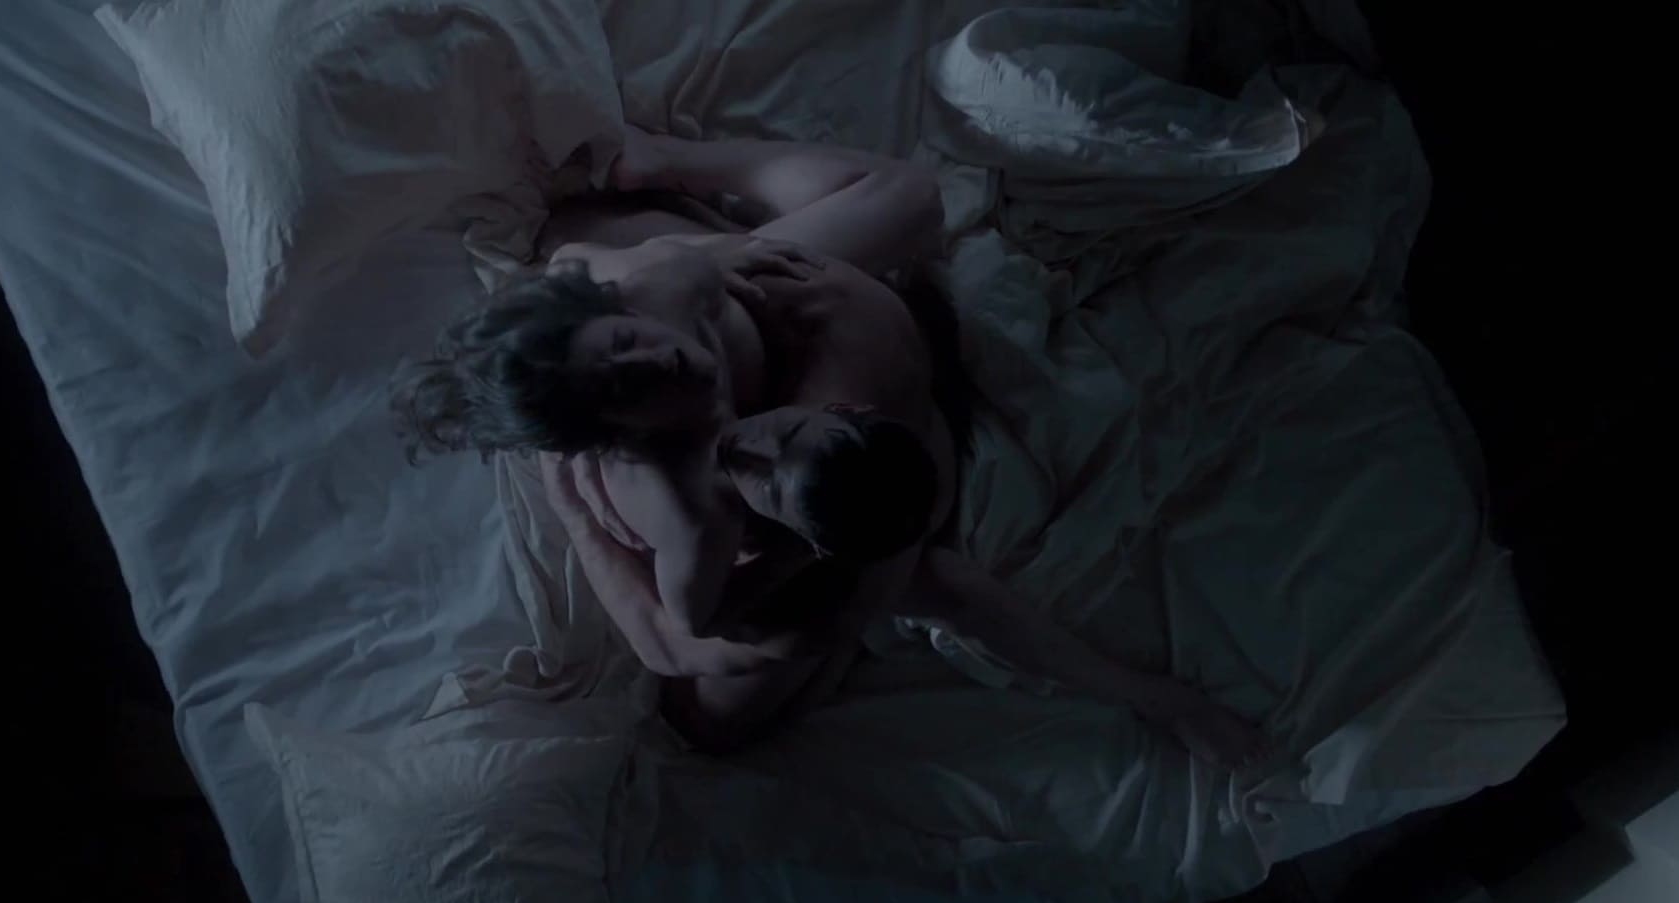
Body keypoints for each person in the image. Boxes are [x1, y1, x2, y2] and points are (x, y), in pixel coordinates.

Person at [395, 129, 1267, 766]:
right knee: (739, 708)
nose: (657, 362)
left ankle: (671, 159)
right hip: (829, 499)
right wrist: (592, 520)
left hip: (828, 365)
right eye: (629, 389)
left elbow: (580, 259)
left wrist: (727, 257)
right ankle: (1152, 699)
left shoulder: (671, 287)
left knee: (907, 198)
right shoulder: (684, 495)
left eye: (626, 345)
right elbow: (678, 640)